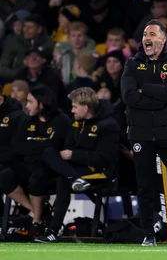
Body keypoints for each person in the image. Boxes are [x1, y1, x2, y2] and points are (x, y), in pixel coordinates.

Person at [121, 19, 167, 246]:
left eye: (152, 34)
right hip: (140, 134)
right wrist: (161, 96)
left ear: (163, 39)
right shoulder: (132, 64)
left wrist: (147, 90)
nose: (147, 38)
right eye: (144, 34)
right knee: (145, 186)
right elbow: (129, 97)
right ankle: (148, 233)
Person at [34, 87, 120, 242]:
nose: (72, 111)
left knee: (62, 179)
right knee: (48, 153)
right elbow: (67, 147)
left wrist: (74, 155)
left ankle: (53, 231)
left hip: (100, 170)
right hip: (76, 168)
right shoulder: (75, 123)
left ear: (85, 108)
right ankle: (74, 178)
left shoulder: (108, 125)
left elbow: (105, 158)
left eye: (74, 107)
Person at [0, 84, 69, 235]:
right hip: (29, 163)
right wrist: (44, 143)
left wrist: (34, 144)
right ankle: (38, 211)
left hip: (50, 168)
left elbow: (54, 148)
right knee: (5, 175)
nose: (27, 105)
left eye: (30, 102)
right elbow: (17, 146)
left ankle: (36, 220)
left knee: (37, 177)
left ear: (41, 104)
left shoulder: (61, 120)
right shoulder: (28, 120)